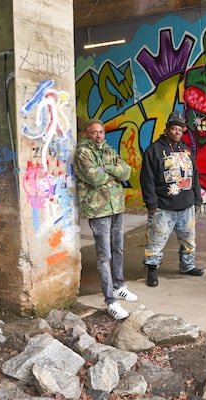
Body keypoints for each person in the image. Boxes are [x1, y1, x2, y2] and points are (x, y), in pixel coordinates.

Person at [75, 118, 138, 320]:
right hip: (98, 209)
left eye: (101, 132)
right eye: (94, 132)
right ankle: (110, 300)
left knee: (118, 248)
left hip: (116, 206)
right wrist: (111, 171)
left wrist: (106, 169)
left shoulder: (109, 150)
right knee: (104, 256)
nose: (98, 135)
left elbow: (126, 172)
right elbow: (94, 178)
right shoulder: (82, 153)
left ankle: (119, 286)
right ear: (87, 134)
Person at [140, 110, 204, 287]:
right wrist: (151, 203)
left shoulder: (186, 150)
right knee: (156, 241)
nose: (177, 132)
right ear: (167, 129)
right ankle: (152, 271)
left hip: (186, 206)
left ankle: (188, 266)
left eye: (180, 130)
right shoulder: (154, 150)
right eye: (174, 129)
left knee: (188, 239)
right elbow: (147, 179)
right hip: (162, 207)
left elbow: (195, 176)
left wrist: (197, 199)